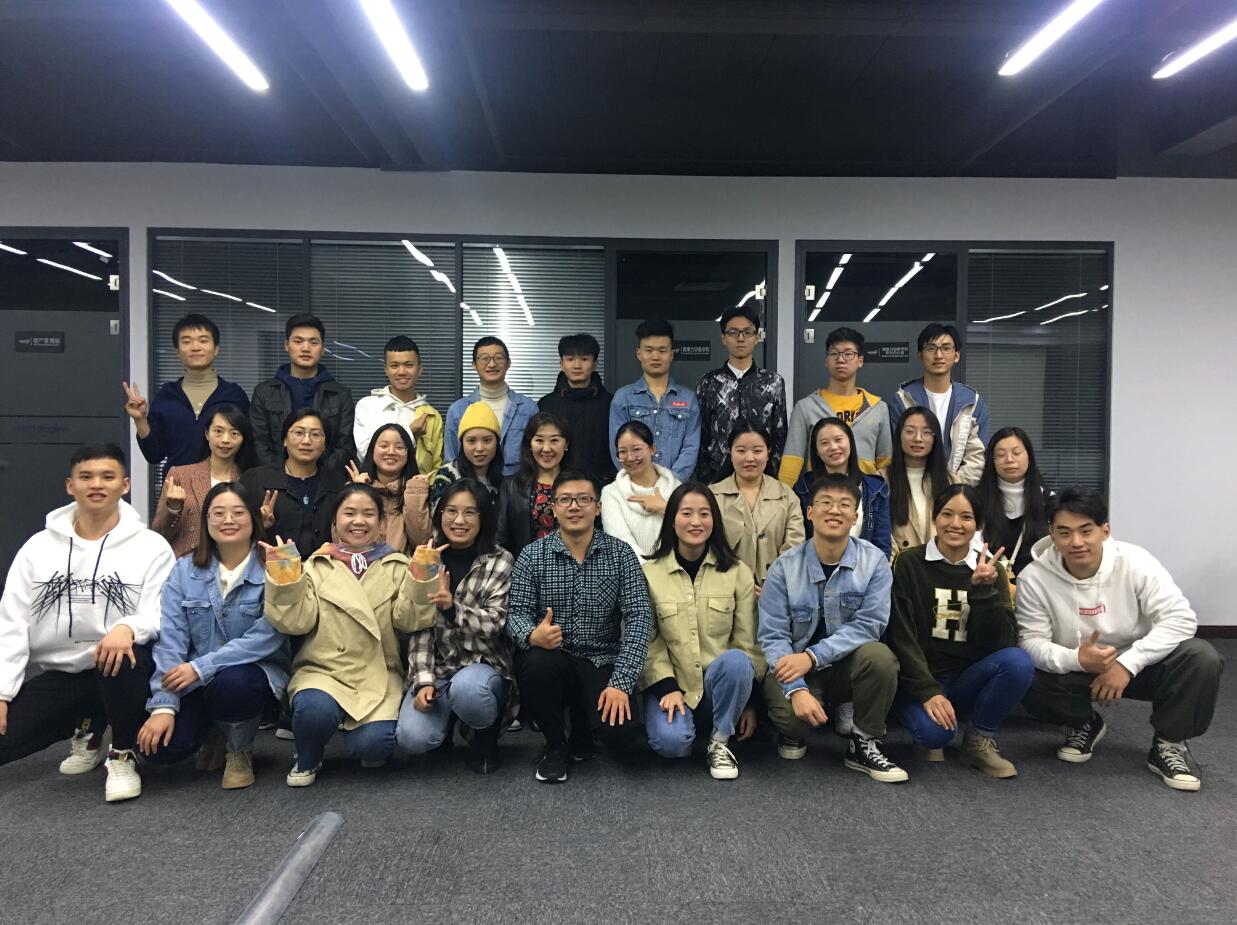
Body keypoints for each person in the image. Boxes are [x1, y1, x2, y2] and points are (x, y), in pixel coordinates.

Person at [1016, 488, 1224, 791]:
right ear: (1052, 534)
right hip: (1078, 668)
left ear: (1105, 530)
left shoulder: (1136, 562)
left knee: (1201, 657)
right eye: (1064, 532)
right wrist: (1076, 659)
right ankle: (1083, 722)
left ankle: (1169, 743)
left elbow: (1181, 618)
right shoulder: (1033, 578)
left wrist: (1127, 664)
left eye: (1086, 530)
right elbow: (1031, 641)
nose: (1076, 542)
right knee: (1019, 668)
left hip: (1140, 666)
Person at [0, 444, 174, 802]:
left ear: (125, 485)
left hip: (122, 670)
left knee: (119, 658)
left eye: (107, 476)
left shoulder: (151, 546)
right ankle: (90, 724)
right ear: (70, 485)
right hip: (62, 675)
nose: (97, 484)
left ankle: (122, 752)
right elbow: (11, 624)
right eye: (86, 477)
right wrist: (2, 694)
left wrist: (127, 628)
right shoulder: (36, 548)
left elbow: (161, 613)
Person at [262, 484, 434, 786]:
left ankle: (359, 734)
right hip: (323, 670)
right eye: (349, 513)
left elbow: (409, 622)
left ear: (381, 523)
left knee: (375, 746)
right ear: (334, 522)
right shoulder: (314, 566)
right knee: (313, 712)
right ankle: (309, 755)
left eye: (368, 514)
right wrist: (285, 576)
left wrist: (422, 578)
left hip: (378, 673)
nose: (358, 521)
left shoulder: (398, 565)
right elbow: (296, 623)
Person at [136, 483, 290, 789]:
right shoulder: (183, 570)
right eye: (218, 513)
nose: (228, 520)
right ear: (206, 520)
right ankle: (215, 730)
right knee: (161, 751)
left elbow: (269, 635)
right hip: (195, 680)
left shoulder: (278, 563)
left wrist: (202, 667)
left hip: (254, 678)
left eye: (238, 512)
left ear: (254, 518)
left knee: (234, 683)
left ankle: (239, 747)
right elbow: (171, 639)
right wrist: (164, 706)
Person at [506, 471, 653, 784]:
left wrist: (621, 682)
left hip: (601, 660)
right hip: (553, 658)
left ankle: (583, 726)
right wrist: (531, 634)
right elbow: (515, 613)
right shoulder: (532, 555)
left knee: (622, 733)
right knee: (535, 664)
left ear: (597, 507)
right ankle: (555, 745)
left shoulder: (621, 554)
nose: (574, 507)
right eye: (565, 500)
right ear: (554, 508)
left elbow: (639, 618)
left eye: (584, 499)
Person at [757, 473, 906, 783]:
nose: (834, 510)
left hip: (842, 667)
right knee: (793, 721)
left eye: (844, 505)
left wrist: (812, 657)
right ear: (810, 512)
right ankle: (792, 731)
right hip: (791, 666)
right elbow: (772, 636)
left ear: (855, 517)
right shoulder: (784, 567)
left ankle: (863, 741)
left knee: (880, 657)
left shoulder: (874, 562)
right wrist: (796, 689)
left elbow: (870, 625)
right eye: (825, 502)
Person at [886, 485, 1033, 777]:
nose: (955, 524)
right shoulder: (909, 562)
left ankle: (978, 740)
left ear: (978, 524)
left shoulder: (991, 569)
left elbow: (1003, 642)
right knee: (934, 736)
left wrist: (984, 591)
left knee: (1018, 662)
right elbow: (901, 635)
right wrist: (927, 691)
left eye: (966, 517)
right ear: (935, 518)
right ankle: (929, 722)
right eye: (947, 514)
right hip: (920, 679)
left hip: (967, 678)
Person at [640, 483, 764, 780]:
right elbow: (648, 641)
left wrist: (748, 702)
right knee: (671, 744)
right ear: (672, 520)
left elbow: (749, 643)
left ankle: (720, 740)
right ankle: (690, 728)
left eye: (704, 514)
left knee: (737, 659)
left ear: (714, 521)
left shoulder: (737, 572)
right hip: (673, 686)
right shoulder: (649, 573)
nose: (695, 522)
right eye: (686, 513)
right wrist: (667, 687)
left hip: (718, 687)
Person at [396, 480, 515, 774]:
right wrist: (423, 681)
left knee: (468, 690)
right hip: (438, 668)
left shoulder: (500, 560)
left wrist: (453, 609)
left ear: (483, 518)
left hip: (483, 666)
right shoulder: (425, 558)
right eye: (451, 511)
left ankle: (485, 737)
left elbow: (496, 623)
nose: (459, 520)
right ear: (440, 514)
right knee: (412, 737)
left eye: (470, 512)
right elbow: (418, 627)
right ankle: (445, 725)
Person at [124, 313, 249, 471]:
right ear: (178, 351)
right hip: (176, 484)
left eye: (203, 340)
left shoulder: (234, 396)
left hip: (224, 483)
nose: (195, 347)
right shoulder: (166, 395)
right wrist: (140, 420)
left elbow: (248, 449)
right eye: (186, 342)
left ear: (216, 349)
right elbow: (154, 455)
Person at [779, 326, 892, 486]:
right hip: (821, 492)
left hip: (866, 494)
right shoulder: (806, 407)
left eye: (848, 354)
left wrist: (881, 495)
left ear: (860, 361)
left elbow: (885, 462)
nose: (840, 359)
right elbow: (792, 460)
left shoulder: (878, 408)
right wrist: (783, 497)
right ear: (826, 361)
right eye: (834, 353)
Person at [249, 313, 355, 473]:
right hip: (275, 479)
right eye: (298, 341)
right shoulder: (264, 392)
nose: (306, 348)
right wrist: (282, 475)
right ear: (286, 345)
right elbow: (260, 444)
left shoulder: (340, 394)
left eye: (313, 342)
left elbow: (344, 446)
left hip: (325, 481)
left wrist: (318, 476)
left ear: (322, 349)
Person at [694, 305, 788, 484]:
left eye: (747, 332)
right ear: (723, 338)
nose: (741, 338)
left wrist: (774, 478)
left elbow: (779, 434)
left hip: (762, 475)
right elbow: (701, 434)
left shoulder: (772, 382)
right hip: (717, 477)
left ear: (756, 337)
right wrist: (705, 478)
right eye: (733, 332)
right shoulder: (708, 382)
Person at [889, 323, 989, 485]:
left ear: (956, 356)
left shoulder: (973, 402)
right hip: (913, 488)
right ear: (920, 355)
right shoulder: (903, 399)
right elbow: (897, 451)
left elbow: (976, 458)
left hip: (959, 491)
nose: (938, 355)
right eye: (931, 348)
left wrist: (953, 488)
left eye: (946, 348)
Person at [152, 405, 257, 558]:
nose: (225, 440)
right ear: (207, 433)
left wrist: (262, 523)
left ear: (243, 439)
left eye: (234, 433)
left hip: (233, 564)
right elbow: (159, 533)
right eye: (218, 431)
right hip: (187, 564)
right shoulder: (180, 475)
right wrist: (173, 508)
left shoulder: (250, 480)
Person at [240, 409, 346, 559]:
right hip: (269, 568)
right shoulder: (255, 480)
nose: (306, 441)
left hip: (326, 569)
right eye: (299, 433)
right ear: (284, 440)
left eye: (315, 434)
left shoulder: (338, 484)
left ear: (324, 445)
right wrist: (259, 525)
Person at [710, 421, 804, 588]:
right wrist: (740, 586)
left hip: (777, 591)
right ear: (730, 453)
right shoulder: (711, 496)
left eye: (757, 451)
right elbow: (707, 549)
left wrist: (773, 586)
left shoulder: (787, 496)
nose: (749, 458)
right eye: (741, 451)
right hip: (724, 591)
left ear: (768, 453)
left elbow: (794, 549)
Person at [609, 319, 700, 481]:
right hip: (634, 487)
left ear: (671, 354)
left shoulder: (688, 398)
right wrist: (641, 482)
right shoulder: (623, 398)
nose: (655, 356)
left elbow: (691, 448)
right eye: (649, 350)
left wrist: (670, 483)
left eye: (662, 350)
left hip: (677, 488)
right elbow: (618, 449)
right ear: (639, 354)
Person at [407, 402, 504, 548]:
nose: (479, 448)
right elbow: (438, 527)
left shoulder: (503, 481)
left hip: (488, 554)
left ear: (497, 442)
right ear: (462, 443)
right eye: (471, 441)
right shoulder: (447, 475)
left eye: (487, 440)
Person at [793, 416, 892, 557]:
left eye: (838, 440)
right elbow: (798, 543)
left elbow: (882, 547)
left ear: (850, 442)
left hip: (865, 569)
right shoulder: (803, 488)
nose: (833, 447)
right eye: (824, 443)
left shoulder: (875, 489)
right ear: (816, 451)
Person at [444, 337, 538, 476]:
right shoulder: (458, 410)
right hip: (471, 486)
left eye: (498, 358)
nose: (492, 364)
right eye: (484, 358)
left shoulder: (528, 408)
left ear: (508, 363)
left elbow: (536, 457)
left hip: (518, 485)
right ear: (474, 365)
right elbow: (451, 460)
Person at [353, 335, 444, 475]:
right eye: (394, 366)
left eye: (409, 365)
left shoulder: (431, 415)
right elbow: (365, 454)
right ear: (386, 369)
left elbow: (435, 468)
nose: (402, 372)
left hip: (418, 488)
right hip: (372, 486)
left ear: (420, 369)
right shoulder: (367, 406)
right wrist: (410, 432)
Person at [538, 333, 615, 486]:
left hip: (603, 485)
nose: (577, 365)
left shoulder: (611, 403)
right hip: (557, 484)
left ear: (595, 364)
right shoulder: (546, 404)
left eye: (584, 359)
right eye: (570, 359)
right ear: (561, 363)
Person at [976, 427, 1051, 582]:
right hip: (985, 583)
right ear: (992, 461)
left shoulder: (1049, 501)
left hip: (1037, 587)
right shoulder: (975, 500)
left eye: (1016, 453)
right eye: (1001, 455)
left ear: (1029, 456)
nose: (1009, 460)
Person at [600, 421, 680, 558]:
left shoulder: (677, 488)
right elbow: (621, 544)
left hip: (677, 569)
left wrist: (665, 508)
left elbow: (692, 530)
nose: (630, 458)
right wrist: (650, 570)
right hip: (633, 570)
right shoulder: (611, 493)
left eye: (636, 449)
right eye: (622, 452)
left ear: (652, 449)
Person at [496, 412, 570, 560]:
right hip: (525, 569)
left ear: (566, 444)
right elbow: (500, 540)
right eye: (539, 440)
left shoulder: (580, 485)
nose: (547, 448)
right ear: (529, 444)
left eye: (554, 440)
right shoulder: (510, 487)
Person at [887, 406, 955, 555]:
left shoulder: (952, 482)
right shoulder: (881, 481)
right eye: (910, 431)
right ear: (899, 435)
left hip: (942, 563)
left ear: (935, 438)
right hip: (897, 565)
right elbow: (880, 535)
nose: (918, 438)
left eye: (926, 432)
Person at [346, 422, 421, 554]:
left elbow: (421, 541)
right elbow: (340, 539)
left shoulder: (418, 490)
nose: (391, 452)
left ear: (408, 453)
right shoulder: (352, 490)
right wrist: (360, 492)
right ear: (372, 450)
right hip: (361, 565)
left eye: (399, 447)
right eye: (384, 446)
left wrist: (414, 494)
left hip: (403, 566)